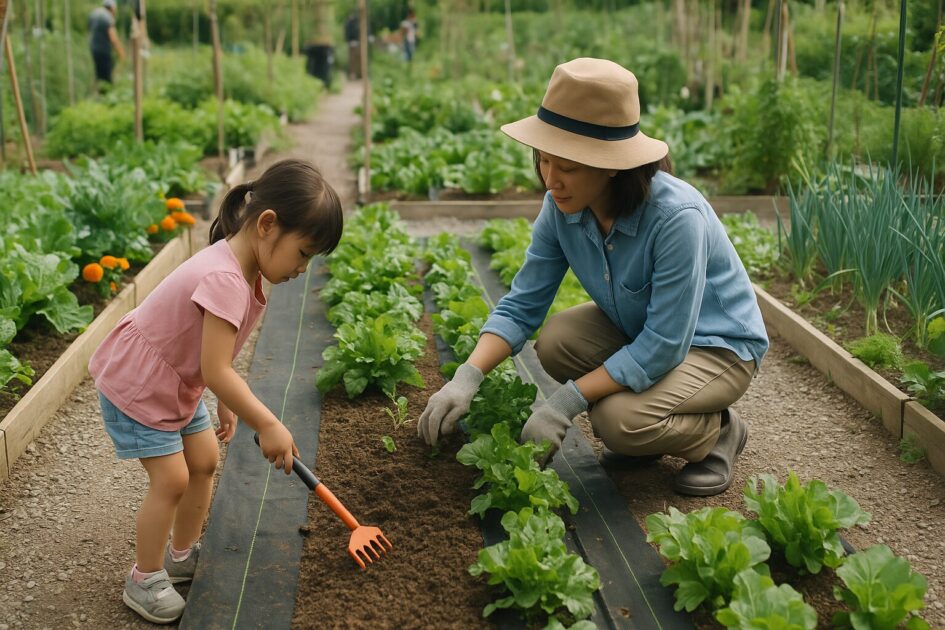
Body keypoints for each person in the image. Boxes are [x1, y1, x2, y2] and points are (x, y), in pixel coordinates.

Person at [418, 58, 769, 498]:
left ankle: (718, 432)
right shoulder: (562, 206)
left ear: (611, 165)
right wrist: (467, 377)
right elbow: (524, 303)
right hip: (646, 331)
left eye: (568, 167)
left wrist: (565, 403)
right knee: (557, 338)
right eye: (544, 161)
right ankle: (655, 426)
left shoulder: (677, 218)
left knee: (619, 421)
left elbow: (664, 344)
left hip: (718, 348)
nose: (551, 180)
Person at [89, 160, 343, 623]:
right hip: (141, 383)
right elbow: (216, 366)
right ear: (268, 225)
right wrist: (266, 421)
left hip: (177, 380)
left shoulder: (245, 270)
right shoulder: (226, 278)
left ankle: (180, 554)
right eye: (303, 253)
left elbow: (216, 360)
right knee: (172, 479)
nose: (303, 269)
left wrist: (225, 402)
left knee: (204, 460)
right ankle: (142, 579)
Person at [88, 0, 125, 87]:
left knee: (99, 74)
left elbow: (89, 31)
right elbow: (113, 38)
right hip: (104, 50)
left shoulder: (94, 14)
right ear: (112, 8)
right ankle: (107, 96)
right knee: (107, 77)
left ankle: (101, 95)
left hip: (94, 49)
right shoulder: (108, 17)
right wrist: (121, 53)